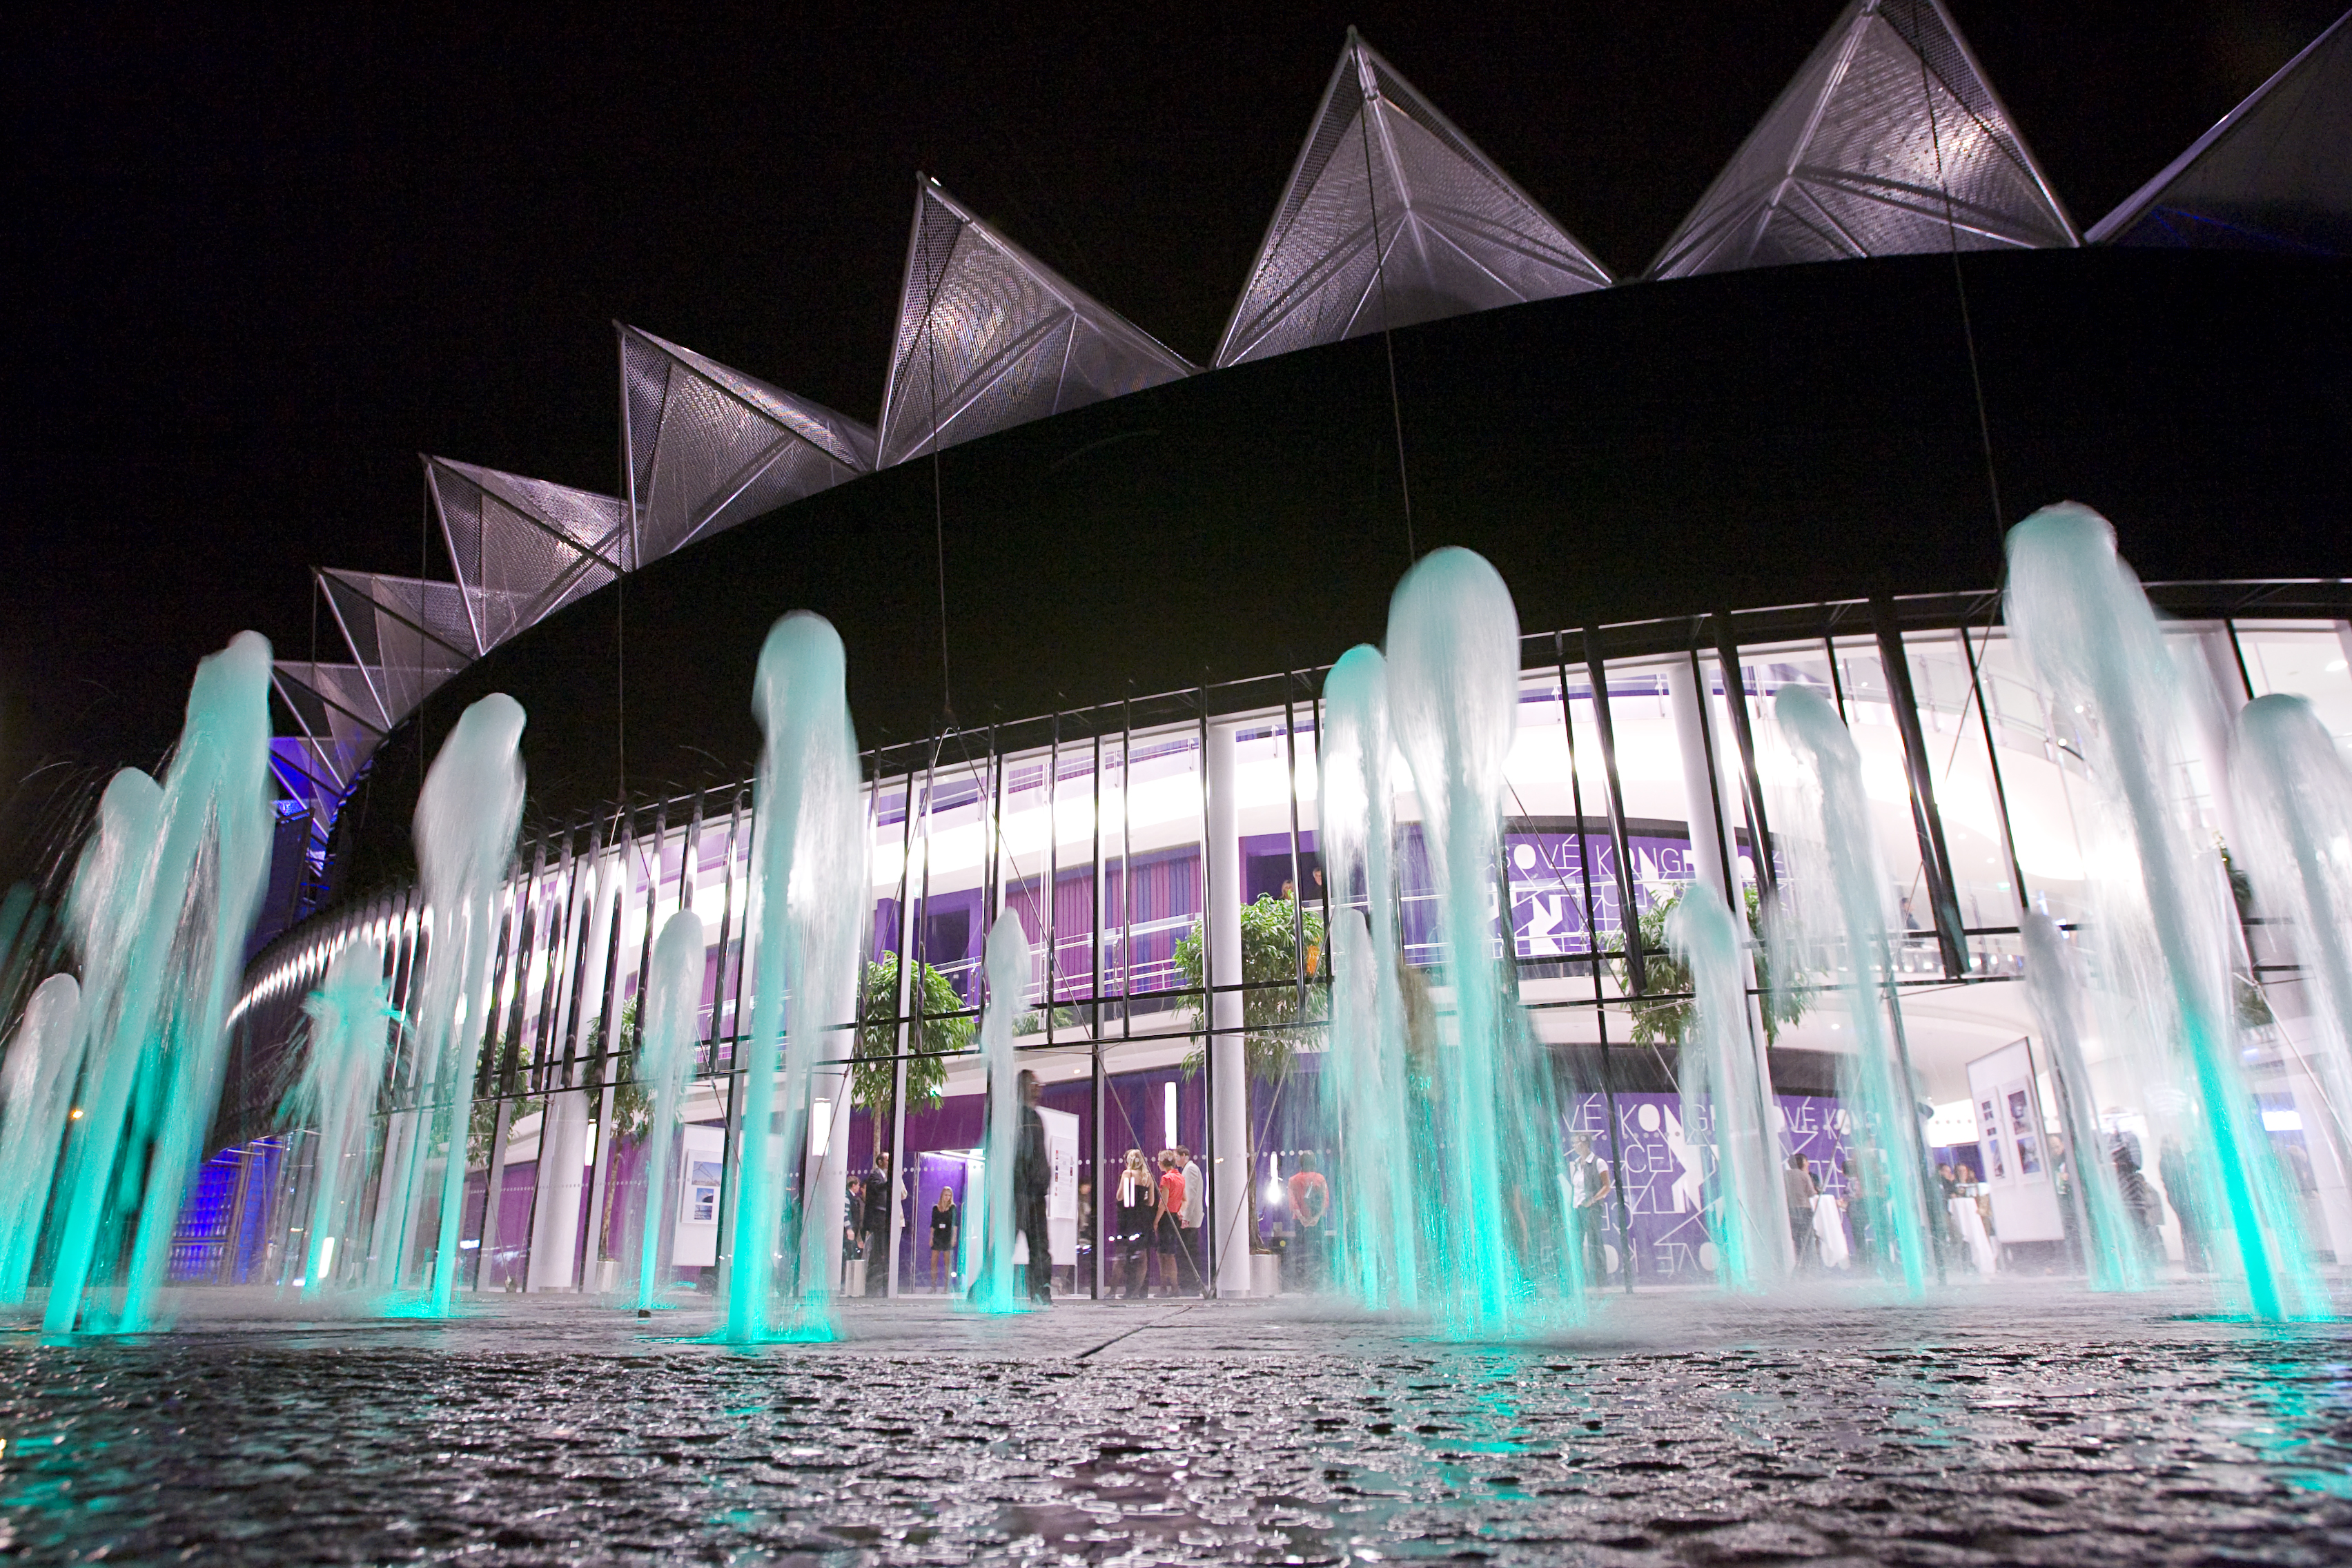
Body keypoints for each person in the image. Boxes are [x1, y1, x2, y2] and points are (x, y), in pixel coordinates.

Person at [1013, 1070, 1052, 1304]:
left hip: (1033, 1193)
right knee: (1035, 1247)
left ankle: (1041, 1293)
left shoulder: (1033, 1117)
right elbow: (1024, 1156)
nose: (1039, 1088)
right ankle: (1040, 1293)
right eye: (1035, 1084)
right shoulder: (1023, 1117)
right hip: (1023, 1193)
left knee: (1039, 1248)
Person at [1565, 1133, 1614, 1286]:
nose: (1574, 1146)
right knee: (1576, 1243)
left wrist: (1593, 1199)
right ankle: (1577, 1278)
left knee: (1594, 1242)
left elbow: (1607, 1187)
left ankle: (1600, 1278)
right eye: (1573, 1143)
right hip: (1577, 1208)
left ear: (1585, 1144)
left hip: (1592, 1209)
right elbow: (1576, 1188)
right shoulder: (1576, 1164)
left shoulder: (1598, 1163)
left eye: (1577, 1143)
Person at [2113, 1139, 2164, 1264]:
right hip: (2136, 1209)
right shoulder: (2133, 1176)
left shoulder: (2126, 1177)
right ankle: (2147, 1261)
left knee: (2138, 1235)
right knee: (2142, 1235)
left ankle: (2145, 1261)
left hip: (2133, 1209)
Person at [1286, 1151, 1330, 1288]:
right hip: (1318, 1222)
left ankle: (1302, 1282)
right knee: (1318, 1251)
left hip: (1300, 1222)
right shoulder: (1320, 1178)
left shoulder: (1293, 1180)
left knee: (1302, 1251)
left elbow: (1292, 1202)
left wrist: (1302, 1219)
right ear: (1314, 1162)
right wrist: (1316, 1218)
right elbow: (1325, 1200)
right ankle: (1318, 1281)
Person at [1115, 1149, 1153, 1300]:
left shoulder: (1127, 1174)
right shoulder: (1148, 1177)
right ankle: (1137, 1290)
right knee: (1143, 1256)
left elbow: (1119, 1196)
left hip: (1128, 1216)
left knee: (1126, 1253)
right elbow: (1150, 1202)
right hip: (1143, 1217)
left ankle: (1126, 1291)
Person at [1155, 1149, 1190, 1296]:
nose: (1157, 1163)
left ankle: (1169, 1287)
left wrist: (1156, 1221)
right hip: (1175, 1216)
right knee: (1168, 1253)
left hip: (1165, 1218)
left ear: (1163, 1163)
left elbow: (1163, 1203)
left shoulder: (1167, 1179)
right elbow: (1185, 1200)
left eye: (1158, 1161)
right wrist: (1179, 1211)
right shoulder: (1180, 1177)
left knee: (1164, 1254)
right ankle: (1172, 1287)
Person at [863, 1151, 896, 1293]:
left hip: (884, 1217)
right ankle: (873, 1284)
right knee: (878, 1251)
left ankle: (880, 1283)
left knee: (882, 1250)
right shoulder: (875, 1176)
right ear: (880, 1162)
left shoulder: (883, 1177)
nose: (889, 1162)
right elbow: (878, 1188)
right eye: (887, 1159)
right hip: (878, 1218)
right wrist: (891, 1181)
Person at [1784, 1152, 1819, 1272]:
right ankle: (1808, 1265)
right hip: (1804, 1208)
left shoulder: (1784, 1175)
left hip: (1790, 1209)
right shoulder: (1804, 1176)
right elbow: (1811, 1193)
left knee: (1797, 1238)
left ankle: (1798, 1263)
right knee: (1807, 1238)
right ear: (1802, 1163)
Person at [1179, 1145, 1206, 1294]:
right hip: (1190, 1218)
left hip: (1190, 1219)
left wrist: (1186, 1216)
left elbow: (1190, 1194)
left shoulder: (1190, 1170)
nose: (1176, 1160)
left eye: (1177, 1156)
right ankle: (1191, 1285)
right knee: (1189, 1251)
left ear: (1184, 1155)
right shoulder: (1189, 1169)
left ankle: (1192, 1285)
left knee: (1190, 1252)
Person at [928, 1181, 959, 1291]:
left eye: (949, 1195)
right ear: (942, 1195)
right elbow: (933, 1224)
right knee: (934, 1262)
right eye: (946, 1195)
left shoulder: (953, 1208)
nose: (947, 1197)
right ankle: (933, 1286)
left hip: (947, 1236)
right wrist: (931, 1238)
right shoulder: (936, 1208)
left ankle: (946, 1287)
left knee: (947, 1263)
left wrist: (954, 1237)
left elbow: (955, 1224)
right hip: (937, 1235)